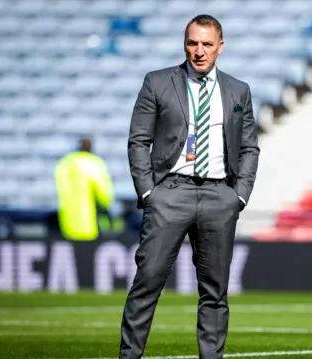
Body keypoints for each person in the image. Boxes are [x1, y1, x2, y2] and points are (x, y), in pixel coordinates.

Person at [119, 14, 259, 359]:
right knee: (147, 282)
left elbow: (249, 147)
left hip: (219, 195)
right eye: (192, 43)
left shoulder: (238, 90)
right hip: (170, 193)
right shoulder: (157, 82)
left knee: (214, 291)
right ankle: (129, 355)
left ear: (220, 47)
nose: (199, 51)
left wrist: (238, 195)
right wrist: (149, 192)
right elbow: (138, 141)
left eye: (207, 44)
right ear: (185, 44)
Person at [54, 137, 114, 241]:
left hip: (67, 220)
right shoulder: (94, 163)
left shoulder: (65, 163)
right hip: (89, 223)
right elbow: (104, 194)